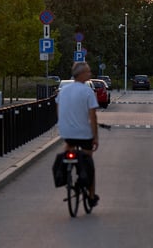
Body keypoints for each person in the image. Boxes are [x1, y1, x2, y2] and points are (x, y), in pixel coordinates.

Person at [56, 61, 100, 206]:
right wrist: (95, 137)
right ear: (81, 74)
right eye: (88, 71)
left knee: (68, 147)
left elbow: (59, 109)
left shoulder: (63, 91)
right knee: (89, 163)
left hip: (66, 132)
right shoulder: (87, 91)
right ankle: (92, 196)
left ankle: (66, 172)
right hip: (83, 134)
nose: (90, 74)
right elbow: (92, 116)